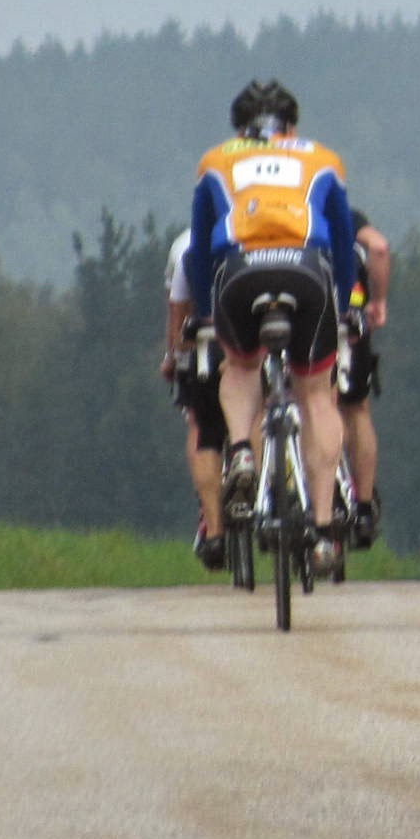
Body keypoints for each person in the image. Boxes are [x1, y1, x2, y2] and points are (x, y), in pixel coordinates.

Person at [186, 77, 359, 572]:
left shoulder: (216, 160)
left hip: (240, 271)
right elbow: (344, 242)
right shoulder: (323, 158)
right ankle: (322, 530)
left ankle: (242, 449)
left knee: (241, 368)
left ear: (238, 129)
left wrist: (206, 314)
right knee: (317, 395)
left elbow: (198, 249)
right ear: (292, 127)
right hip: (306, 271)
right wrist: (342, 307)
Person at [159, 224, 228, 567]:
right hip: (250, 343)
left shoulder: (186, 245)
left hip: (205, 347)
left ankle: (211, 524)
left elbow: (177, 320)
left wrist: (172, 359)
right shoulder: (262, 234)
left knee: (200, 425)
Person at [335, 220, 392, 551]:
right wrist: (378, 301)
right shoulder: (345, 214)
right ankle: (365, 507)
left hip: (297, 310)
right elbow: (379, 248)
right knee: (356, 408)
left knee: (310, 402)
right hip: (349, 313)